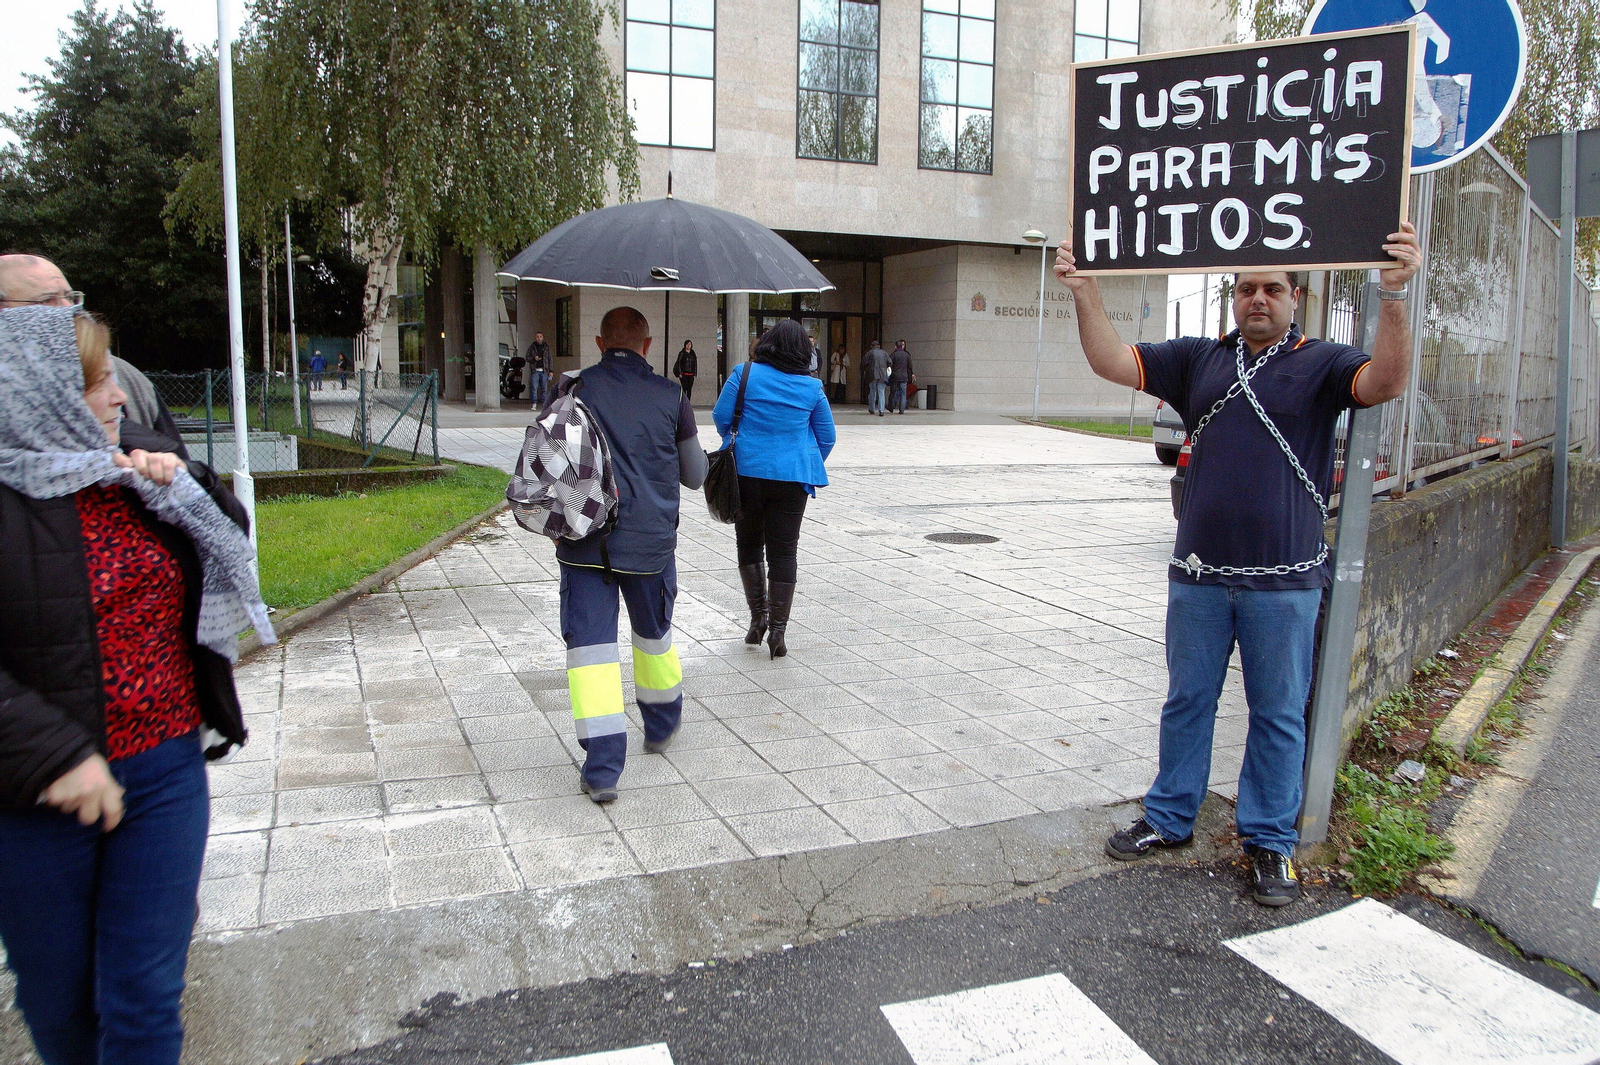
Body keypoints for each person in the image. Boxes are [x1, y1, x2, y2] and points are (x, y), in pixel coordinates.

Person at [1054, 222, 1422, 907]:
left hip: (1284, 585)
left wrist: (1394, 295)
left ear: (1296, 297)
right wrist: (1085, 292)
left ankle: (1269, 841)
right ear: (1234, 296)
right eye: (1247, 287)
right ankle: (1169, 818)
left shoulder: (1323, 363)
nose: (1259, 298)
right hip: (1198, 576)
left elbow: (1388, 380)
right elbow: (1111, 360)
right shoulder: (1198, 359)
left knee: (1278, 712)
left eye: (1273, 288)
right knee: (1187, 700)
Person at [0, 306, 271, 1065]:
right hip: (36, 797)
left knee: (145, 994)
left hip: (163, 769)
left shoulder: (131, 468)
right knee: (59, 1000)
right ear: (39, 395)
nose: (120, 397)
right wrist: (55, 751)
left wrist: (186, 490)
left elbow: (229, 549)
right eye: (97, 383)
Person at [550, 307, 707, 804]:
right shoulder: (671, 394)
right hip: (650, 545)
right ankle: (660, 727)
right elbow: (696, 475)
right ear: (647, 344)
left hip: (584, 543)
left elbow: (549, 456)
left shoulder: (571, 389)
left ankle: (601, 773)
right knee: (653, 638)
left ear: (599, 343)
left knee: (592, 654)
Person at [714, 320, 836, 659]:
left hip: (746, 473)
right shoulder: (811, 388)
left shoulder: (745, 373)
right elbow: (827, 437)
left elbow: (722, 417)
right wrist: (802, 458)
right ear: (803, 352)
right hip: (792, 479)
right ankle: (779, 632)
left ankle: (758, 618)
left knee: (748, 543)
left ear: (767, 344)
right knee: (784, 552)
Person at [0, 254, 188, 456]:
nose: (70, 309)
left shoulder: (125, 378)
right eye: (48, 301)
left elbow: (179, 463)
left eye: (71, 298)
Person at [863, 339, 890, 417]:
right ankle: (881, 410)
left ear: (872, 346)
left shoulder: (870, 353)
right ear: (879, 346)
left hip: (873, 374)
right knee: (881, 392)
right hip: (882, 375)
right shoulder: (884, 353)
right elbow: (890, 362)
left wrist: (865, 369)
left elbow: (864, 362)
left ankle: (872, 408)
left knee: (872, 392)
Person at [526, 330, 552, 407]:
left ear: (542, 338)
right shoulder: (532, 347)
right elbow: (527, 358)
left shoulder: (546, 347)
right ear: (535, 338)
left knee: (544, 388)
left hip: (544, 370)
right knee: (534, 387)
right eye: (537, 337)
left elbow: (549, 359)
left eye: (540, 337)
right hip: (535, 370)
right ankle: (534, 403)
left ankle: (544, 403)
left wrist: (550, 370)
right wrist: (534, 358)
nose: (539, 338)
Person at [889, 340, 914, 414]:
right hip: (904, 377)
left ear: (896, 346)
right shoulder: (907, 355)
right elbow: (910, 366)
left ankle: (891, 407)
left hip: (895, 376)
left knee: (893, 392)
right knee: (903, 393)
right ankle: (902, 410)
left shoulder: (893, 354)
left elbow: (889, 363)